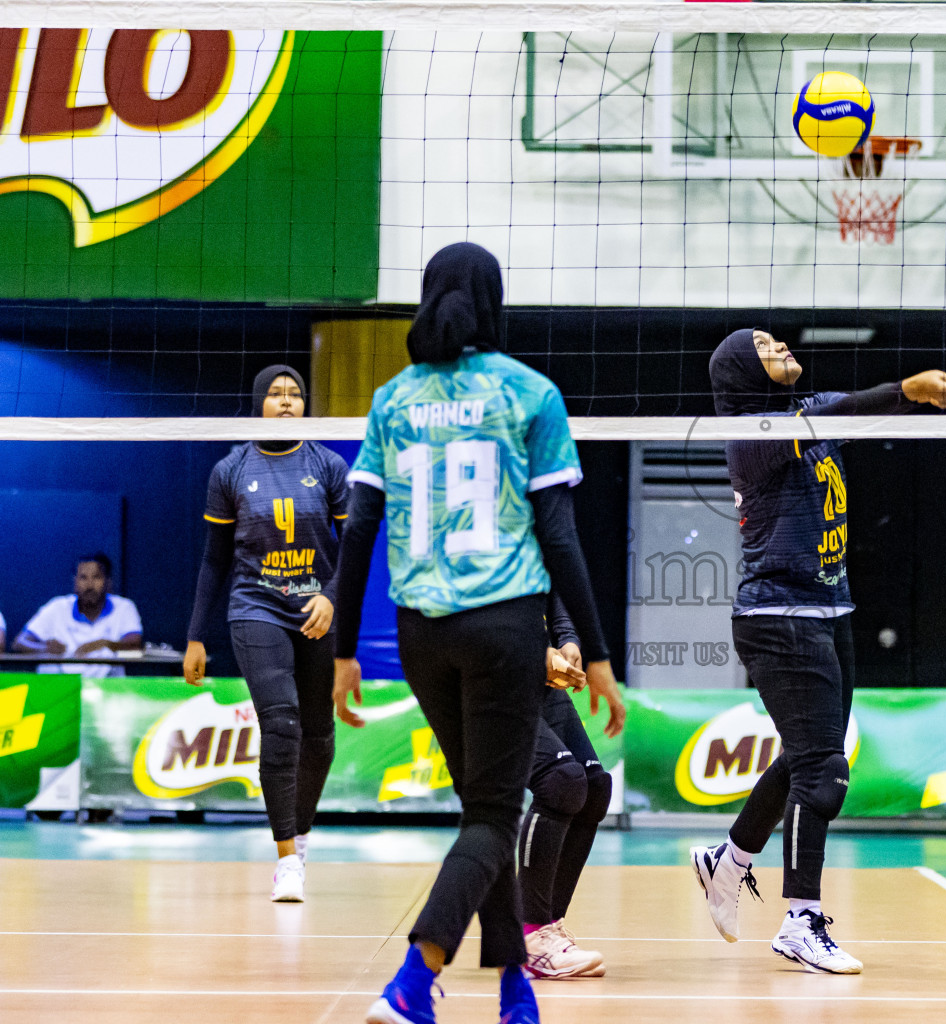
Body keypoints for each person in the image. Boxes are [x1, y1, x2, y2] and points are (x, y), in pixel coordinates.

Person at [330, 241, 616, 1024]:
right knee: (491, 817)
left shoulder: (393, 398)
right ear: (495, 301)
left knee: (479, 812)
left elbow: (357, 533)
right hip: (503, 629)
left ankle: (514, 989)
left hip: (421, 634)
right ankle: (412, 983)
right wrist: (594, 652)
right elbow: (560, 539)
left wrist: (344, 649)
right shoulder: (528, 393)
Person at [690, 328, 946, 975]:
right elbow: (839, 411)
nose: (782, 345)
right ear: (744, 371)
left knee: (808, 760)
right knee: (824, 772)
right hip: (778, 615)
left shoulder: (800, 413)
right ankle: (800, 920)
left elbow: (853, 408)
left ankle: (728, 861)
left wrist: (914, 400)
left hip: (827, 608)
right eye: (765, 345)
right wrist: (907, 386)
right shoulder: (753, 431)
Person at [182, 364, 350, 902]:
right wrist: (194, 635)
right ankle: (285, 862)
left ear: (306, 406)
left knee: (319, 736)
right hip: (255, 607)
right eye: (275, 394)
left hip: (316, 611)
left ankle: (299, 838)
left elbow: (356, 552)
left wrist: (331, 596)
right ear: (259, 404)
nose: (285, 402)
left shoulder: (328, 465)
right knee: (281, 723)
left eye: (295, 394)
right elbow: (213, 561)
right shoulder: (230, 469)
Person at [504, 592, 624, 980]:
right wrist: (531, 649)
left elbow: (555, 589)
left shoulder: (536, 534)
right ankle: (529, 932)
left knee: (593, 787)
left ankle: (545, 930)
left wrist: (568, 640)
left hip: (537, 669)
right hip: (491, 670)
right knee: (561, 780)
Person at [14, 554, 143, 677]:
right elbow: (20, 642)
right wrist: (44, 649)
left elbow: (135, 644)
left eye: (96, 577)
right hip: (60, 688)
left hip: (108, 690)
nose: (89, 584)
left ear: (108, 582)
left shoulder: (124, 607)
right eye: (83, 577)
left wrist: (104, 644)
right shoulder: (57, 607)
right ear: (74, 581)